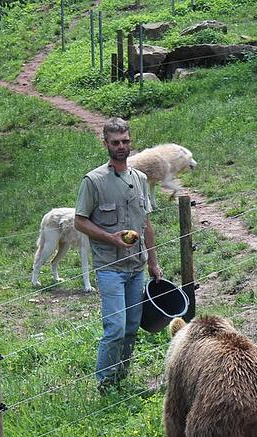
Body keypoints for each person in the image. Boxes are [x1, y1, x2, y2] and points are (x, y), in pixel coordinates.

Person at [74, 117, 163, 392]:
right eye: (115, 142)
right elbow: (80, 221)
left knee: (132, 327)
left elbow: (146, 223)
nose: (121, 146)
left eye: (125, 141)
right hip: (109, 267)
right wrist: (109, 237)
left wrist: (153, 262)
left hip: (136, 267)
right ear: (105, 144)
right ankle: (105, 383)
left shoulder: (140, 179)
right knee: (115, 327)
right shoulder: (93, 181)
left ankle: (120, 379)